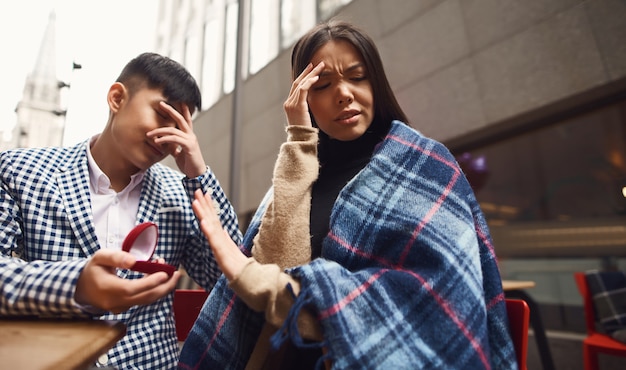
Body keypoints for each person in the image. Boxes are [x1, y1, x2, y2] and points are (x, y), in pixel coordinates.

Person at [179, 20, 517, 369]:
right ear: (305, 97)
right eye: (323, 85)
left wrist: (242, 269)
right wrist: (298, 138)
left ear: (376, 84)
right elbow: (278, 271)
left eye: (357, 77)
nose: (343, 93)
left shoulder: (428, 167)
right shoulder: (298, 171)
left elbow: (432, 307)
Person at [0, 52, 242, 370]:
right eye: (161, 114)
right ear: (117, 98)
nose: (167, 137)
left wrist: (198, 175)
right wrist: (76, 285)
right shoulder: (20, 170)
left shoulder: (182, 193)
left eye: (180, 126)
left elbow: (231, 275)